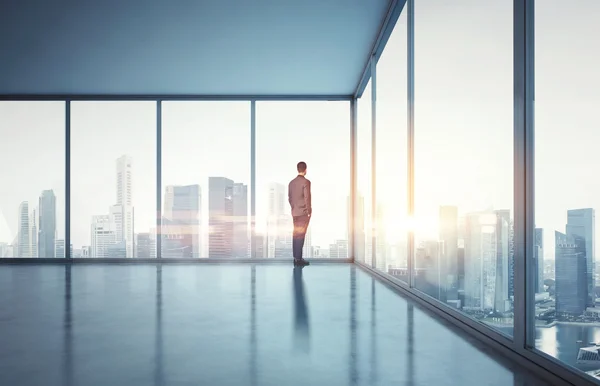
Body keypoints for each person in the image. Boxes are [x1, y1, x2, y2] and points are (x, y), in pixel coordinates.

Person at [288, 161, 311, 266]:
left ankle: (295, 258)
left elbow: (290, 198)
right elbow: (307, 197)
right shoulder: (306, 182)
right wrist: (309, 211)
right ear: (305, 170)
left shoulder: (291, 183)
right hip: (303, 213)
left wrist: (294, 208)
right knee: (301, 235)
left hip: (295, 213)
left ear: (298, 169)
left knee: (295, 235)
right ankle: (299, 259)